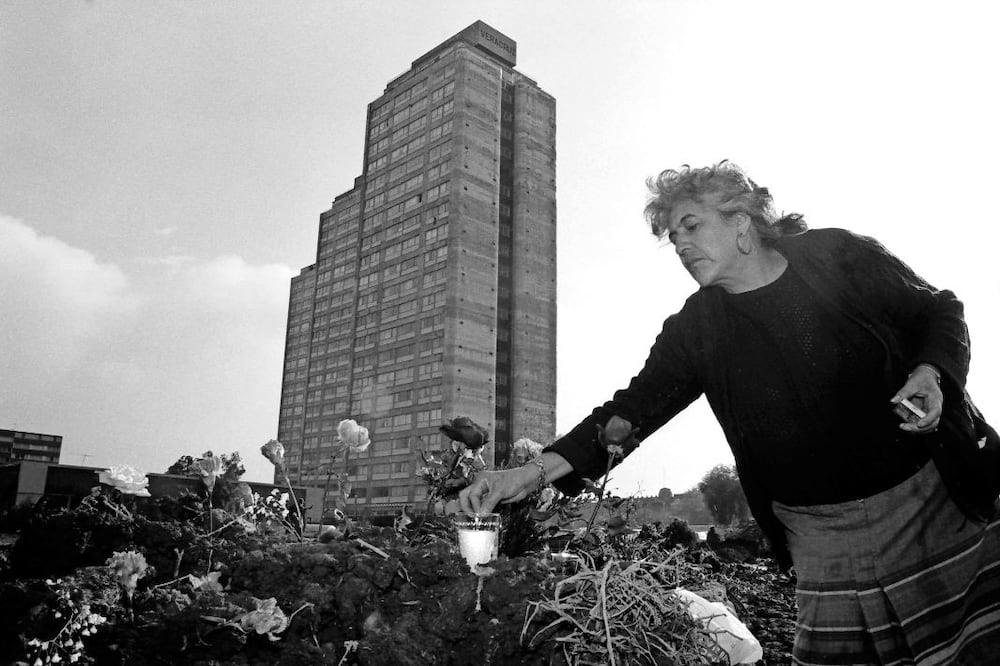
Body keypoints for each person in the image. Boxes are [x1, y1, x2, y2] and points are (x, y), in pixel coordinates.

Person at [459, 161, 1000, 664]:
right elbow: (629, 412)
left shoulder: (839, 257)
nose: (681, 245)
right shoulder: (697, 330)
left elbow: (938, 310)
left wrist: (933, 374)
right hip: (818, 537)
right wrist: (526, 476)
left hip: (930, 505)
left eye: (691, 226)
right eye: (674, 237)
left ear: (741, 221)